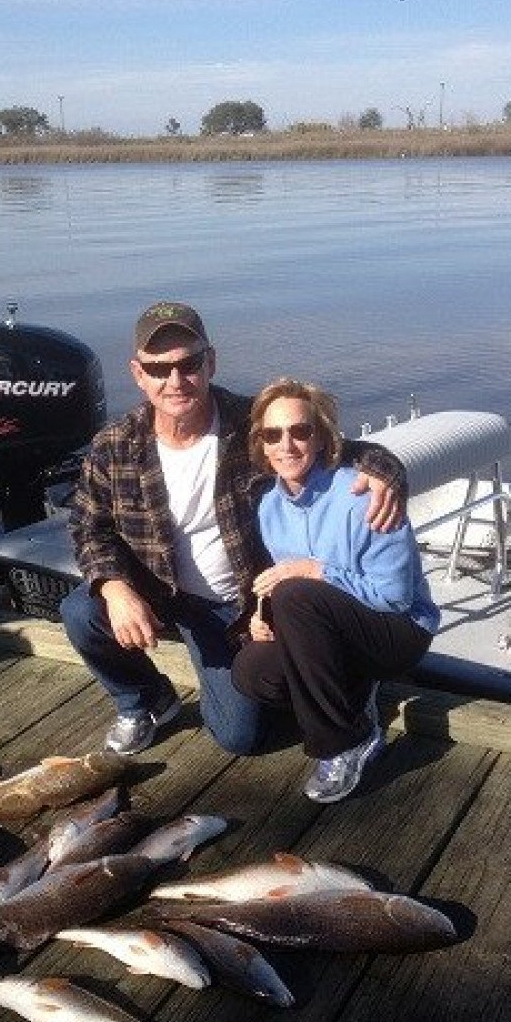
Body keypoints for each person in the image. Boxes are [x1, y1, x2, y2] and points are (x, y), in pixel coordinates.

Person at [60, 303, 408, 757]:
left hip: (238, 606)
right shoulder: (115, 445)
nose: (176, 380)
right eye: (159, 369)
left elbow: (356, 452)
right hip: (160, 591)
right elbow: (88, 524)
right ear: (138, 374)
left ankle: (345, 679)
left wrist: (386, 474)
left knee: (240, 738)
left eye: (189, 364)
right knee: (81, 612)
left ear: (211, 362)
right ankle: (144, 701)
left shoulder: (253, 426)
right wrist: (115, 589)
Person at [232, 378, 440, 803]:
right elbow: (289, 587)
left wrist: (316, 571)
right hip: (332, 630)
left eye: (300, 431)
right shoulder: (268, 506)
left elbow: (396, 597)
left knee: (298, 594)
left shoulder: (365, 495)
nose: (286, 445)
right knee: (252, 670)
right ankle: (353, 694)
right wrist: (262, 615)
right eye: (273, 435)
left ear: (322, 437)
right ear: (262, 445)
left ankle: (348, 741)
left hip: (397, 630)